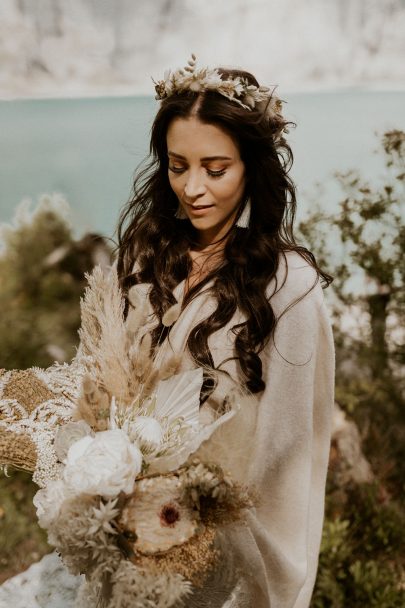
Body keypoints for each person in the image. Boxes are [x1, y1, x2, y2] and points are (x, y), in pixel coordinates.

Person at [0, 56, 335, 608]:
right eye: (178, 166)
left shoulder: (289, 285)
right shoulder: (147, 258)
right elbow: (100, 392)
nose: (193, 188)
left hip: (220, 554)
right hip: (124, 535)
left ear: (252, 166)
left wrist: (261, 580)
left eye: (215, 168)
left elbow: (290, 459)